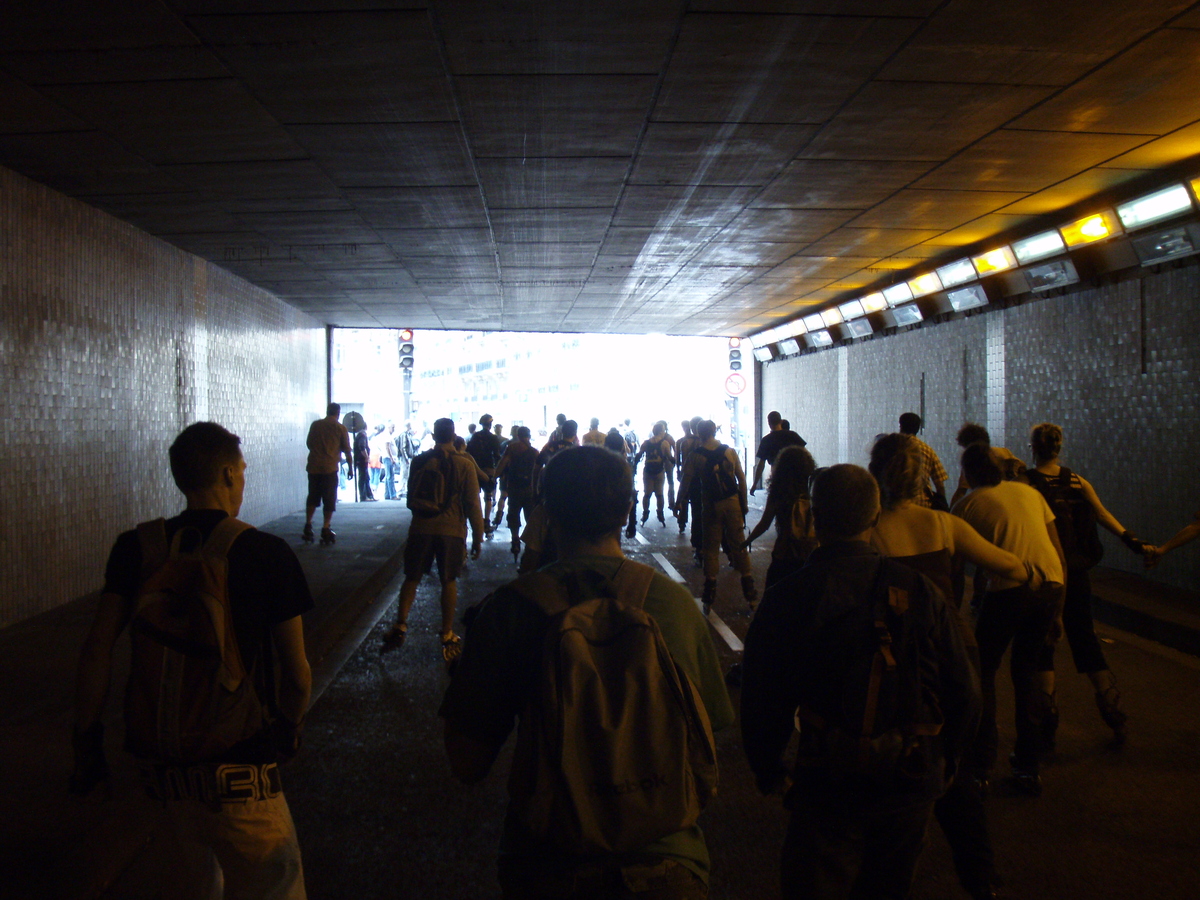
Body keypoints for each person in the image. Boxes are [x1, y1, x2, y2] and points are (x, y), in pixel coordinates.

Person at [440, 445, 734, 899]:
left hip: (548, 863)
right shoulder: (672, 604)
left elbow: (467, 761)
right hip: (665, 862)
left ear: (547, 509)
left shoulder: (509, 610)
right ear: (628, 508)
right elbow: (710, 734)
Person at [71, 422, 313, 899]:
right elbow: (297, 672)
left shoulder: (135, 548)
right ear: (226, 474)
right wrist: (288, 728)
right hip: (242, 774)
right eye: (241, 471)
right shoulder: (265, 552)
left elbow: (97, 648)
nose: (243, 480)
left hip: (161, 780)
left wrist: (87, 744)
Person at [741, 464, 979, 900]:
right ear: (874, 518)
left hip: (827, 777)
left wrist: (769, 768)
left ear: (815, 517)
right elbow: (963, 688)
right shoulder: (919, 590)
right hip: (908, 778)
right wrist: (946, 761)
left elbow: (763, 695)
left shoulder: (790, 595)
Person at [869, 433, 1040, 900]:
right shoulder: (943, 525)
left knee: (888, 762)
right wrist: (1035, 574)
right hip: (945, 654)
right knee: (953, 770)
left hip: (887, 662)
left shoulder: (868, 530)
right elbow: (1009, 565)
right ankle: (980, 879)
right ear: (921, 478)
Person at [953, 443, 1065, 795]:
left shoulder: (967, 504)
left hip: (1011, 587)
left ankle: (982, 760)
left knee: (984, 669)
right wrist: (1059, 607)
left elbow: (955, 564)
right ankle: (1028, 766)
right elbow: (1056, 549)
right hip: (1050, 584)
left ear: (967, 473)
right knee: (1027, 671)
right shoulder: (1029, 493)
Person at [1025, 422, 1146, 745]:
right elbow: (1103, 515)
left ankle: (1047, 716)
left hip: (1042, 573)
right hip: (1077, 574)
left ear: (1033, 447)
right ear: (1059, 448)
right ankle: (1111, 707)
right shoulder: (1078, 482)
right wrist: (1132, 541)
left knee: (1044, 641)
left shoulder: (1025, 483)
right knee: (1084, 637)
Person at [381, 418, 484, 663]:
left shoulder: (419, 461)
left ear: (434, 435)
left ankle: (400, 625)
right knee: (448, 580)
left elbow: (410, 498)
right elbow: (472, 504)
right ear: (453, 435)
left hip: (420, 528)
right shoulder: (463, 464)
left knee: (412, 577)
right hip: (451, 531)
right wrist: (478, 537)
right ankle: (447, 633)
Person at [675, 419, 756, 615]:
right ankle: (750, 592)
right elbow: (741, 479)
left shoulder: (695, 456)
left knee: (710, 549)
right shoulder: (729, 451)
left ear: (698, 433)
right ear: (714, 431)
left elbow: (686, 481)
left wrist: (679, 502)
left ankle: (709, 594)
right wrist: (743, 504)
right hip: (732, 502)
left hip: (710, 505)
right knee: (739, 545)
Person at [743, 445, 818, 591]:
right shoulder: (814, 489)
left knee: (777, 592)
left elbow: (765, 523)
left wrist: (747, 541)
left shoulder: (779, 492)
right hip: (811, 551)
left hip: (785, 550)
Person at [304, 402, 353, 544]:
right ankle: (326, 527)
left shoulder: (315, 425)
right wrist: (350, 467)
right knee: (329, 499)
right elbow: (347, 450)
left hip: (313, 467)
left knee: (312, 496)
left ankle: (308, 525)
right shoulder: (340, 428)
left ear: (327, 411)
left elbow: (309, 444)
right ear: (338, 413)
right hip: (329, 469)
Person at [493, 426, 539, 561]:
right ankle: (531, 544)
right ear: (529, 436)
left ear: (518, 436)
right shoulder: (535, 452)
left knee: (513, 513)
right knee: (530, 516)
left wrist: (494, 477)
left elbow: (502, 464)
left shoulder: (512, 449)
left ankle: (515, 540)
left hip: (513, 487)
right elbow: (538, 471)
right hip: (529, 489)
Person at [898, 412, 947, 509]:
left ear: (901, 426)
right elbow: (940, 484)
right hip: (924, 505)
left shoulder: (893, 447)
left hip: (898, 506)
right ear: (918, 428)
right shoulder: (928, 450)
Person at [749, 410, 804, 495]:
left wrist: (755, 484)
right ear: (781, 421)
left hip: (777, 477)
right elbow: (804, 455)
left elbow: (761, 464)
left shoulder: (766, 440)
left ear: (769, 423)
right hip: (794, 477)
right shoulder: (793, 436)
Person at [466, 413, 504, 529]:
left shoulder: (475, 436)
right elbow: (497, 455)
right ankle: (486, 521)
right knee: (488, 496)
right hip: (488, 470)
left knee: (475, 495)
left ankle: (476, 520)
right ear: (490, 424)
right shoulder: (493, 438)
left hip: (475, 469)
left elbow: (469, 452)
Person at [635, 421, 675, 527]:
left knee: (647, 494)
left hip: (648, 470)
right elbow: (670, 457)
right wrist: (676, 462)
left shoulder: (646, 442)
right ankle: (660, 513)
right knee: (659, 494)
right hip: (659, 470)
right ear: (661, 431)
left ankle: (645, 513)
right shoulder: (664, 443)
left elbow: (639, 455)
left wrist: (634, 465)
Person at [353, 422, 375, 502]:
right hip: (362, 459)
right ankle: (363, 496)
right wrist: (367, 457)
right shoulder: (362, 435)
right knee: (363, 477)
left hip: (360, 459)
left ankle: (369, 495)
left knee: (366, 477)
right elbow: (362, 447)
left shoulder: (360, 434)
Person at [381, 422, 400, 500]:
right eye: (392, 427)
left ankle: (387, 494)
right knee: (390, 477)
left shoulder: (389, 436)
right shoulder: (387, 436)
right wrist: (392, 458)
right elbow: (387, 447)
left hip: (388, 458)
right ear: (388, 427)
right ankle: (393, 495)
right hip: (388, 458)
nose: (394, 429)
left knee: (388, 477)